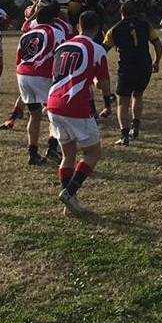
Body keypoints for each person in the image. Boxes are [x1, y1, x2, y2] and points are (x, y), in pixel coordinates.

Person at [47, 11, 114, 215]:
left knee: (68, 154)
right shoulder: (97, 49)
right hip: (74, 105)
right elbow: (103, 84)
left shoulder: (63, 45)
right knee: (93, 153)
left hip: (53, 102)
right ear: (98, 28)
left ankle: (70, 200)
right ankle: (70, 192)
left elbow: (59, 74)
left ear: (78, 26)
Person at [102, 0, 162, 146]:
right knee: (138, 95)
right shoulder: (145, 25)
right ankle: (135, 128)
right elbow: (157, 44)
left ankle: (124, 135)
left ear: (121, 13)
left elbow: (102, 50)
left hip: (127, 68)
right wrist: (157, 61)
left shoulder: (114, 30)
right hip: (144, 66)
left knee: (122, 101)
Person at [16, 1, 63, 165]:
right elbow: (60, 56)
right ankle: (52, 148)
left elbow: (19, 57)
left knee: (34, 115)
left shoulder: (26, 34)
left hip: (23, 74)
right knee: (54, 115)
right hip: (42, 75)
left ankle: (33, 152)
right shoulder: (56, 32)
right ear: (53, 20)